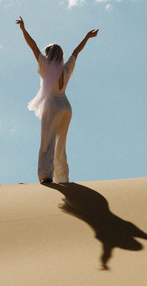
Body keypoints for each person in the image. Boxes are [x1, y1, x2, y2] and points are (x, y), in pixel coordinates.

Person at [16, 16, 98, 184]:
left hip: (53, 105)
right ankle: (63, 177)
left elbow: (32, 45)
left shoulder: (45, 66)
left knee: (47, 140)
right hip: (66, 106)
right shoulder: (66, 68)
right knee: (61, 143)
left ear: (48, 55)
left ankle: (46, 176)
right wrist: (86, 38)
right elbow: (76, 52)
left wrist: (24, 30)